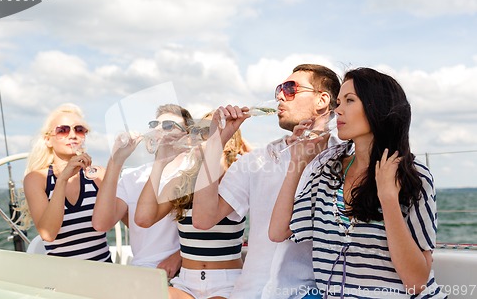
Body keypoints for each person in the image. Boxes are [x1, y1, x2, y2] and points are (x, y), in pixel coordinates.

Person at [269, 67, 447, 298]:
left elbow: (416, 282)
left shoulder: (413, 175)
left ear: (377, 108)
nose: (337, 110)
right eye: (339, 101)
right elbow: (278, 231)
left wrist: (388, 199)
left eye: (349, 101)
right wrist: (298, 164)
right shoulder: (328, 168)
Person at [192, 64, 342, 299]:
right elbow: (203, 218)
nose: (281, 96)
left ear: (322, 100)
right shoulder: (257, 161)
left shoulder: (345, 160)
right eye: (279, 90)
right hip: (250, 293)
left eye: (291, 89)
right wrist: (216, 143)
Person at [134, 116, 249, 299]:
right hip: (187, 281)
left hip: (227, 283)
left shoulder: (236, 180)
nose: (195, 137)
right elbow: (143, 219)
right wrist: (160, 162)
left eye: (206, 132)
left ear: (226, 140)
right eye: (195, 131)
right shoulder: (182, 183)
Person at [92, 104, 194, 277]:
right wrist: (116, 161)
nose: (160, 130)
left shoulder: (193, 174)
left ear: (187, 137)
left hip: (185, 272)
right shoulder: (133, 176)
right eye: (155, 125)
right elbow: (101, 224)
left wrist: (180, 256)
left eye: (169, 126)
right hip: (142, 272)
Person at [23, 103, 111, 261]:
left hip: (104, 271)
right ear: (48, 140)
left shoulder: (98, 175)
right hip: (64, 278)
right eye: (62, 130)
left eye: (79, 129)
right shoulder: (36, 179)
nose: (72, 135)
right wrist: (62, 179)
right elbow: (48, 233)